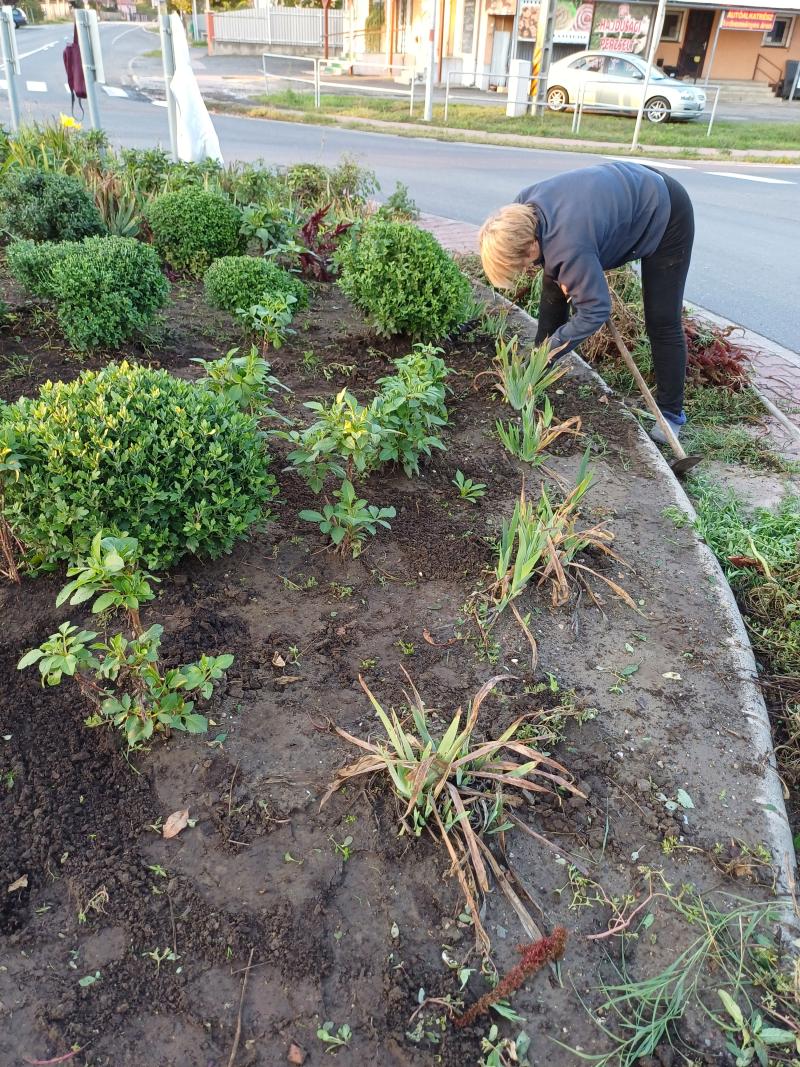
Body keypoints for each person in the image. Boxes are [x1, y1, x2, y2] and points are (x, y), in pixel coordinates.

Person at [478, 161, 695, 443]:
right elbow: (557, 264)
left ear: (532, 246)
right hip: (627, 189)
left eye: (521, 264)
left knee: (662, 319)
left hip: (665, 211)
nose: (525, 270)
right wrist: (541, 358)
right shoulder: (521, 210)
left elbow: (595, 310)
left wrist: (555, 345)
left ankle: (670, 414)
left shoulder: (569, 246)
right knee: (553, 284)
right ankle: (538, 371)